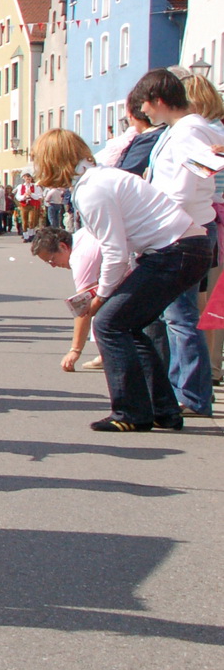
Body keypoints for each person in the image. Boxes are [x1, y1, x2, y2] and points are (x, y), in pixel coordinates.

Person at [30, 129, 208, 431]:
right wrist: (108, 291)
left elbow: (114, 250)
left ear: (51, 161)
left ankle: (131, 413)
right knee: (129, 324)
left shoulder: (91, 190)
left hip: (173, 251)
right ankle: (162, 410)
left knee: (109, 323)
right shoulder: (101, 178)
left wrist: (102, 295)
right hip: (184, 248)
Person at [130, 68, 224, 418]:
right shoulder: (185, 129)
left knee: (180, 316)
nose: (145, 114)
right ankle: (188, 392)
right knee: (178, 315)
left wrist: (158, 207)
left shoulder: (187, 131)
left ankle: (193, 395)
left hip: (181, 228)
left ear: (157, 100)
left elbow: (191, 181)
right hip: (188, 225)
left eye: (146, 106)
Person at [28, 226, 103, 372]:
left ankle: (113, 355)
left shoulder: (80, 258)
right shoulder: (81, 235)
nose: (54, 266)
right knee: (100, 306)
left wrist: (75, 350)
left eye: (52, 260)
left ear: (63, 247)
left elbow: (82, 308)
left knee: (104, 318)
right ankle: (106, 354)